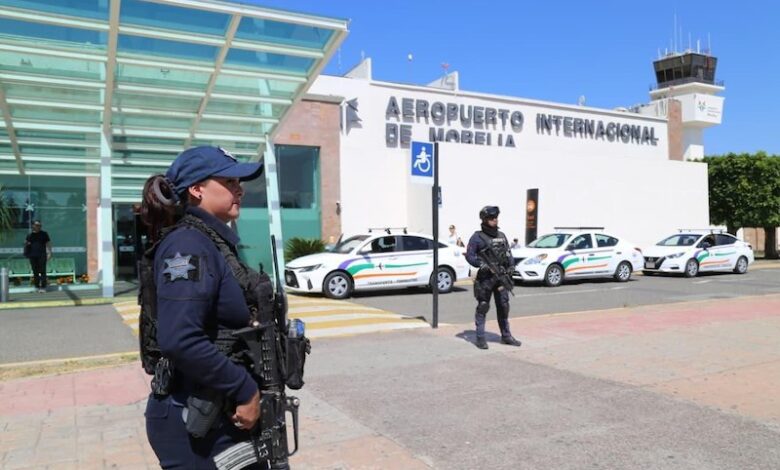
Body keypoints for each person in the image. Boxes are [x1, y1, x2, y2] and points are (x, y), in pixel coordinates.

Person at [139, 146, 267, 468]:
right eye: (229, 181)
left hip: (214, 410)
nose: (240, 189)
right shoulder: (188, 246)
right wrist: (245, 390)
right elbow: (180, 338)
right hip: (194, 419)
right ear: (196, 189)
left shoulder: (211, 241)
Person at [465, 206, 522, 350]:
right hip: (486, 279)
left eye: (496, 217)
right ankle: (480, 338)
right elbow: (470, 256)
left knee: (503, 306)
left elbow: (508, 254)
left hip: (501, 277)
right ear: (484, 219)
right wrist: (482, 265)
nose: (495, 220)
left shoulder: (501, 236)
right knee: (483, 306)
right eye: (492, 218)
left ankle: (506, 336)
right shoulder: (477, 237)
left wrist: (511, 267)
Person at [25, 220, 52, 293]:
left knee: (43, 271)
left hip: (42, 255)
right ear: (33, 226)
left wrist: (49, 253)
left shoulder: (44, 234)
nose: (38, 227)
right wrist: (27, 254)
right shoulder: (30, 235)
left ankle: (43, 287)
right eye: (37, 225)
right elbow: (27, 245)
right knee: (35, 271)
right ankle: (37, 286)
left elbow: (48, 243)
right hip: (32, 255)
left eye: (40, 225)